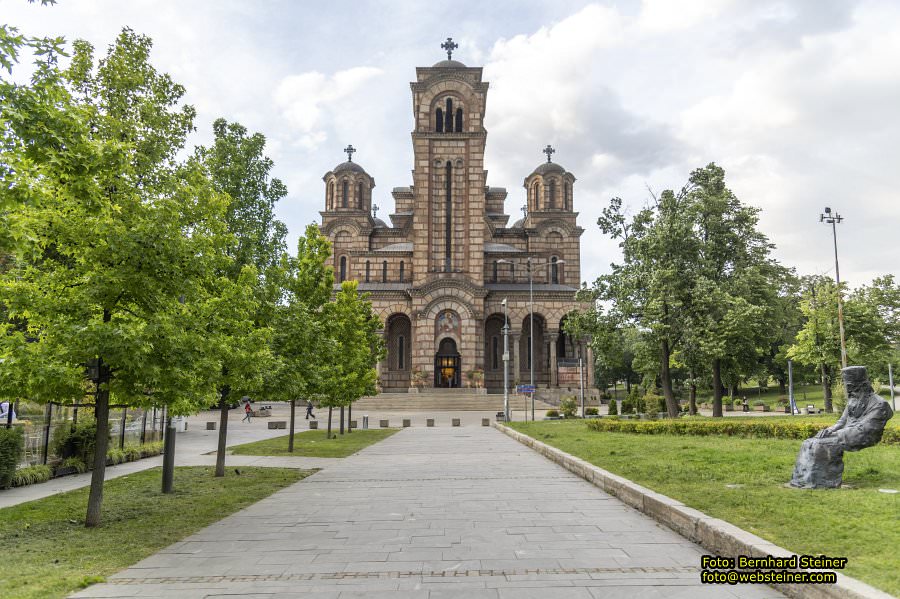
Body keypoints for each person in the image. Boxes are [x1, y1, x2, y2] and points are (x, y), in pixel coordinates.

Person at [790, 366, 893, 488]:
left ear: (864, 385)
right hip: (846, 433)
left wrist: (834, 434)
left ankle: (824, 482)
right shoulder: (852, 400)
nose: (849, 390)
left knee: (820, 445)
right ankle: (802, 480)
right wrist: (829, 430)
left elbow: (864, 429)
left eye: (852, 386)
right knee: (809, 442)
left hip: (863, 435)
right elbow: (842, 421)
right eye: (847, 386)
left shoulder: (880, 404)